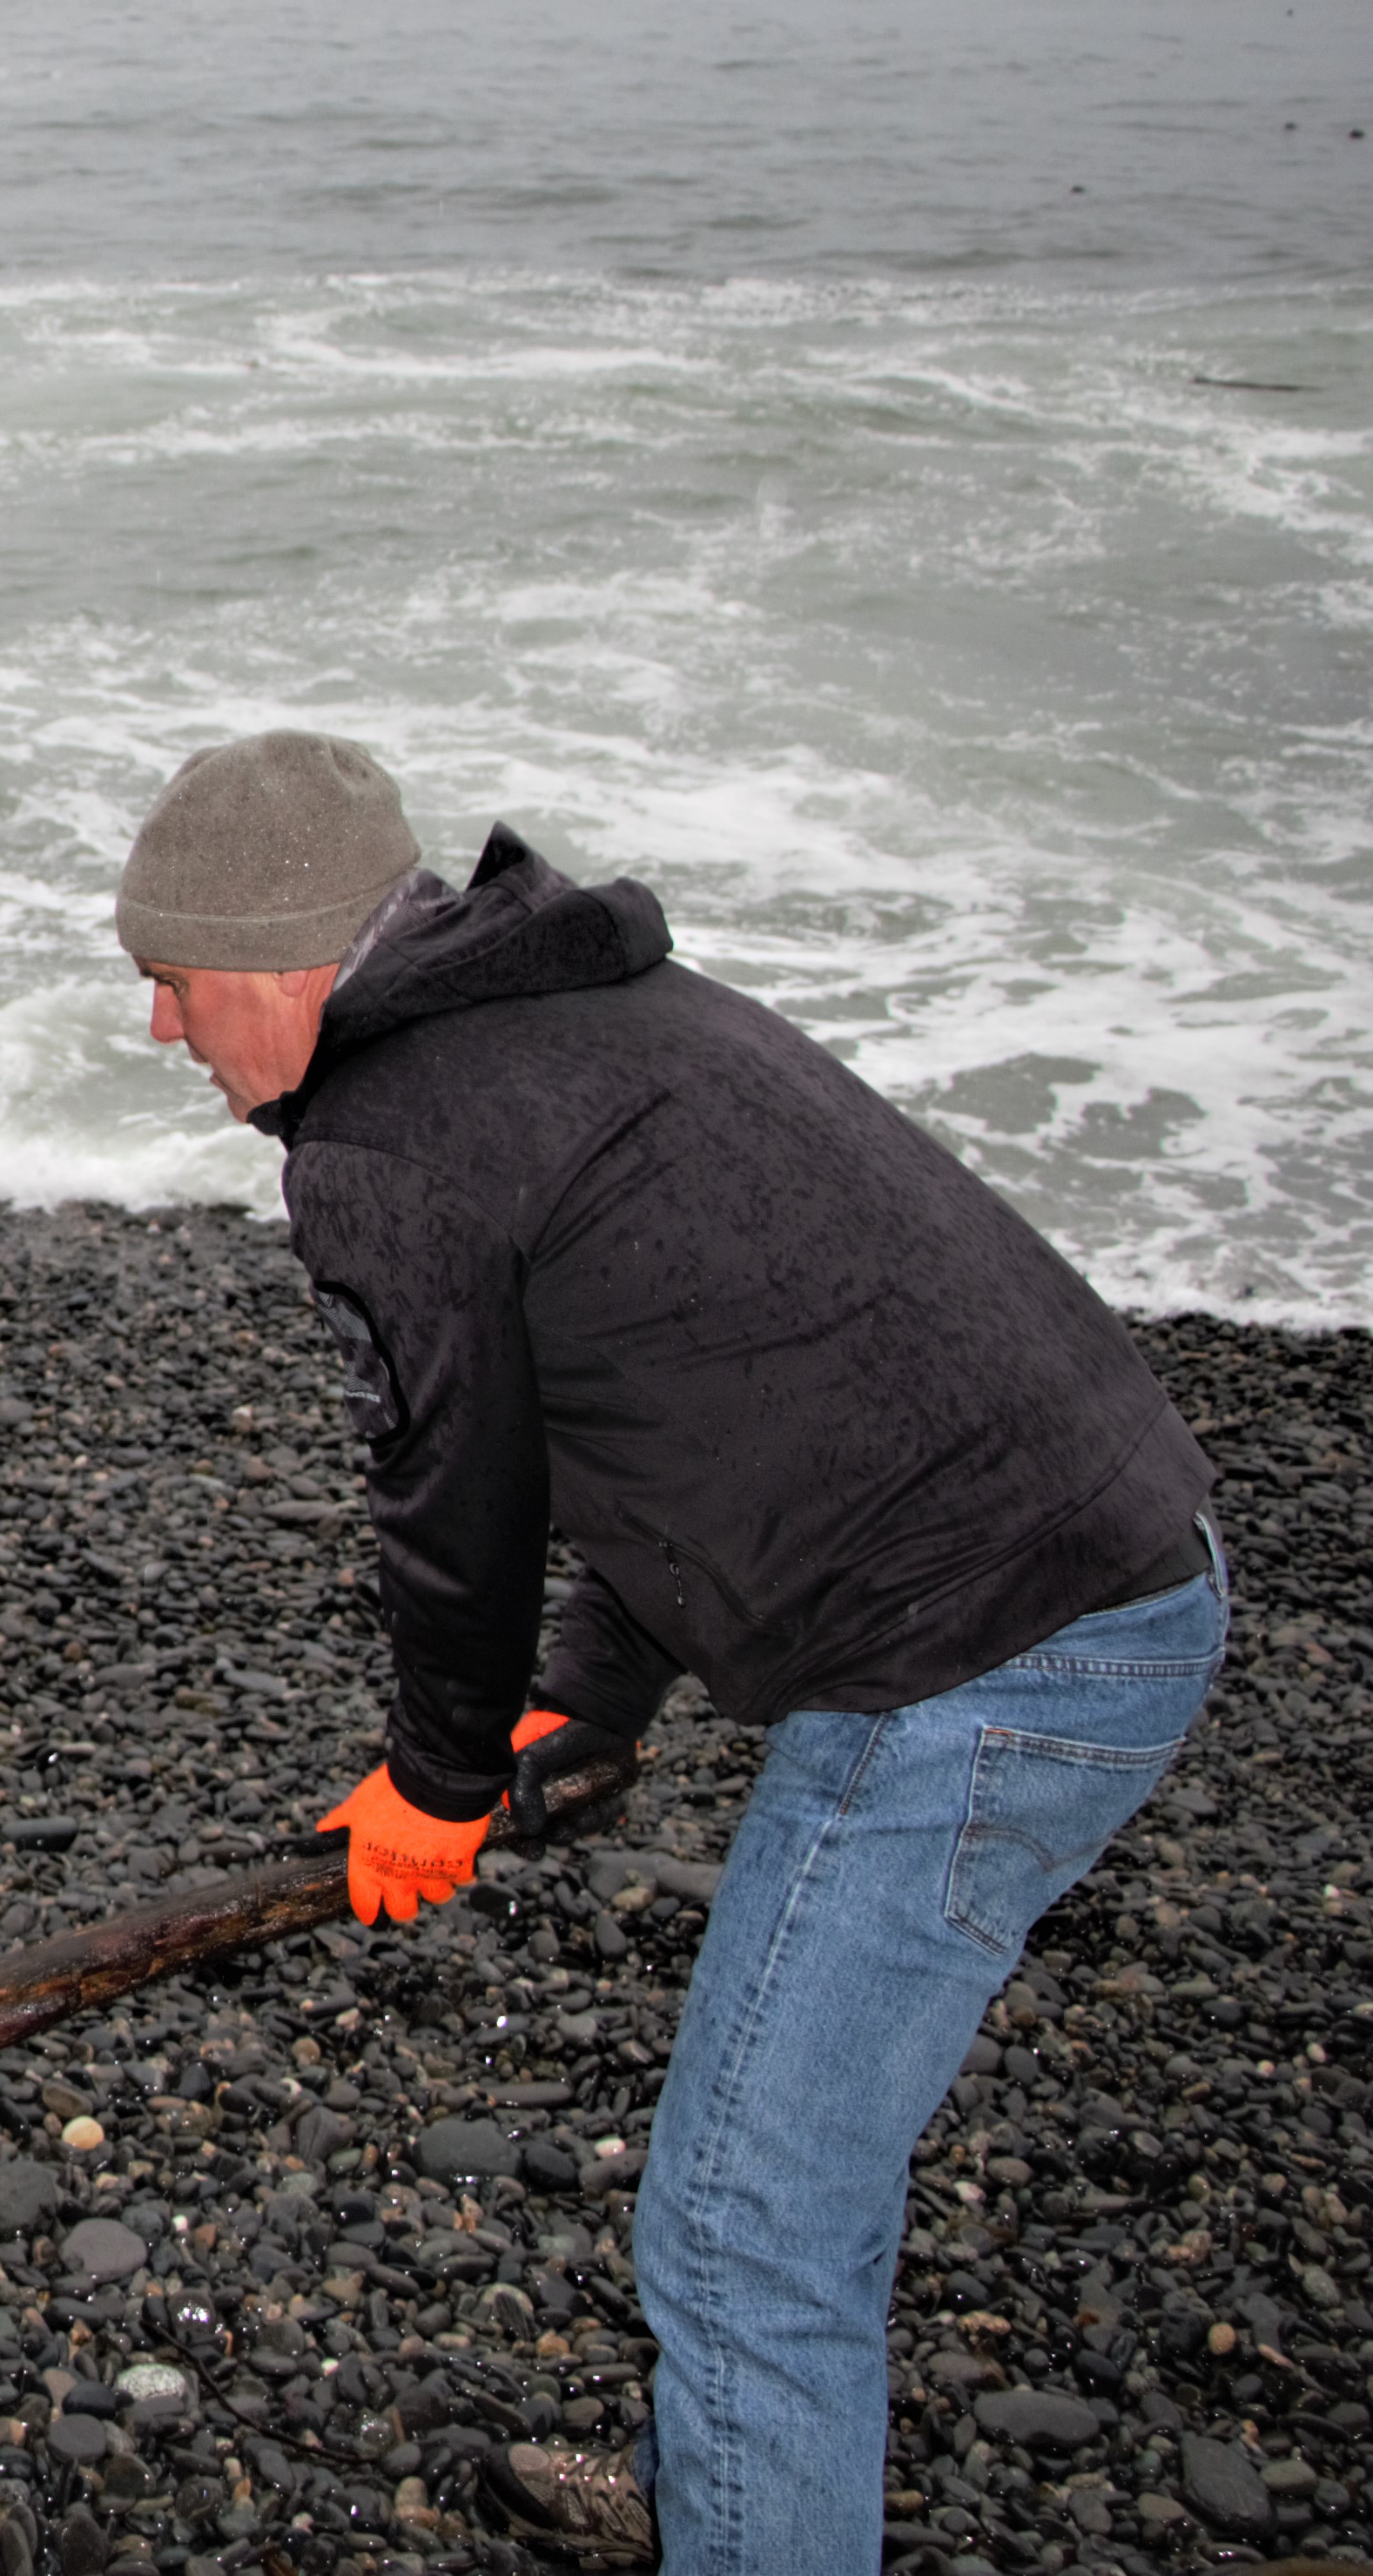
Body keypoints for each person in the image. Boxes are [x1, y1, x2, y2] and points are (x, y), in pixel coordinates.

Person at [112, 730, 1224, 2576]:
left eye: (171, 982)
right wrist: (596, 1689)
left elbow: (449, 1491)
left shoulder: (392, 1144)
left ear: (284, 964)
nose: (161, 1032)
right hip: (1118, 1552)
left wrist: (441, 1777)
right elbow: (686, 1388)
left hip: (987, 1661)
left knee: (736, 2229)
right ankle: (739, 2492)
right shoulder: (602, 1011)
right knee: (781, 2206)